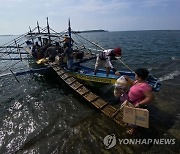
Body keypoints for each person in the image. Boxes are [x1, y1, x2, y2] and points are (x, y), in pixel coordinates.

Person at [125, 68, 155, 135]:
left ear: (140, 77)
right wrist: (128, 79)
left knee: (134, 119)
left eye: (135, 74)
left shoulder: (145, 86)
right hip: (130, 101)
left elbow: (151, 98)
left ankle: (133, 130)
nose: (134, 75)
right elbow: (133, 84)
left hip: (136, 105)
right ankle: (131, 124)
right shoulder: (137, 81)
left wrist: (140, 104)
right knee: (130, 116)